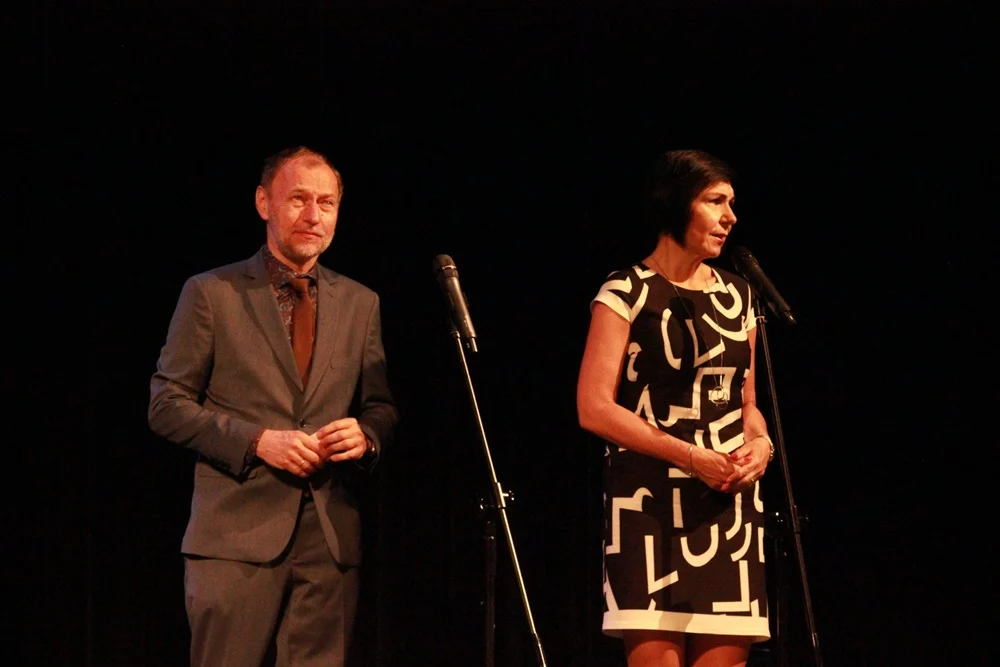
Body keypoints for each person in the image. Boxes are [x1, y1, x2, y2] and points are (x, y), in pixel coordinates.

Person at [148, 145, 398, 667]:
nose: (313, 216)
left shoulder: (361, 303)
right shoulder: (211, 293)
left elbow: (379, 407)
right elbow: (166, 404)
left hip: (328, 542)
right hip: (234, 540)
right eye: (298, 199)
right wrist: (258, 441)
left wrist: (366, 435)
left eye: (326, 203)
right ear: (264, 202)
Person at [577, 149, 774, 667]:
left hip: (727, 509)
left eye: (731, 203)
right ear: (676, 204)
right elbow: (594, 407)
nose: (730, 216)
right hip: (649, 508)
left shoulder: (740, 296)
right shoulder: (626, 290)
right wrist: (690, 457)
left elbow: (746, 402)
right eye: (715, 201)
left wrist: (761, 443)